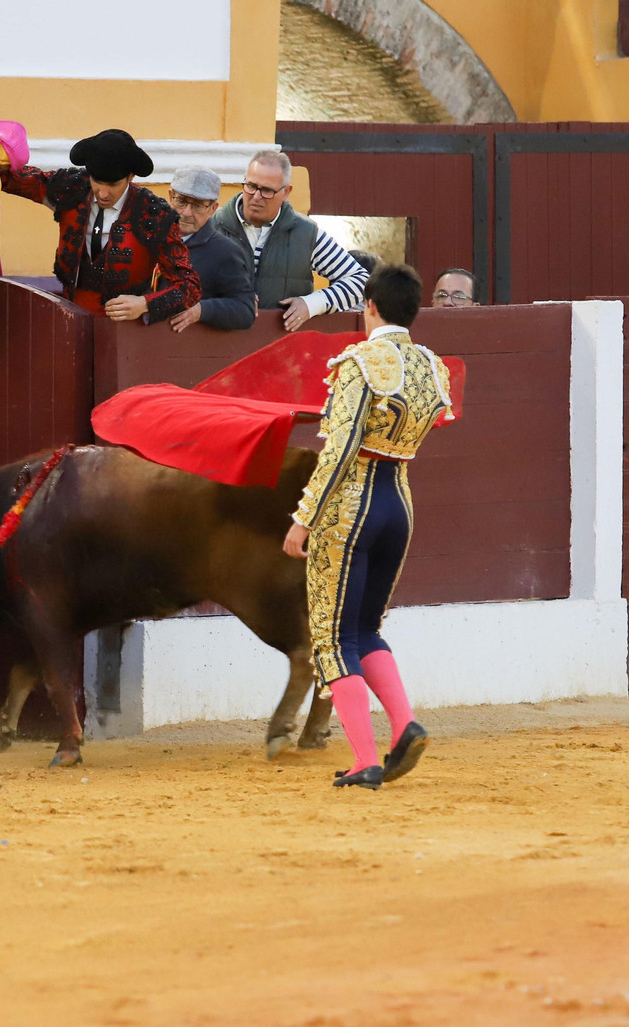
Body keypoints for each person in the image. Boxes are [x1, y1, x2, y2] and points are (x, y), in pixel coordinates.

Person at [283, 264, 452, 790]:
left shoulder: (361, 361)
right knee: (366, 628)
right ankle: (405, 726)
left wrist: (303, 518)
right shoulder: (431, 365)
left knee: (332, 638)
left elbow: (341, 447)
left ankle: (364, 759)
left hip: (350, 507)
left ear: (370, 306)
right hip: (398, 501)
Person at [0, 128, 200, 321]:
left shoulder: (154, 214)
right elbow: (11, 178)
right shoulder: (72, 187)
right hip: (70, 316)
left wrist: (144, 304)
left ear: (131, 177)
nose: (103, 193)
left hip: (124, 330)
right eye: (97, 181)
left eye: (113, 185)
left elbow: (189, 286)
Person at [210, 149, 368, 332]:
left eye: (267, 190)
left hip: (283, 351)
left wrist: (311, 305)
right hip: (220, 349)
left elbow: (360, 281)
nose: (256, 196)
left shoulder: (307, 234)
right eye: (251, 186)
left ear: (286, 192)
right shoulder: (213, 227)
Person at [153, 166, 255, 332]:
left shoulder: (225, 252)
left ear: (213, 209)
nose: (186, 212)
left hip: (189, 352)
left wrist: (201, 311)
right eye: (181, 201)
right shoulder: (147, 238)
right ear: (171, 196)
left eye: (198, 206)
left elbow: (245, 309)